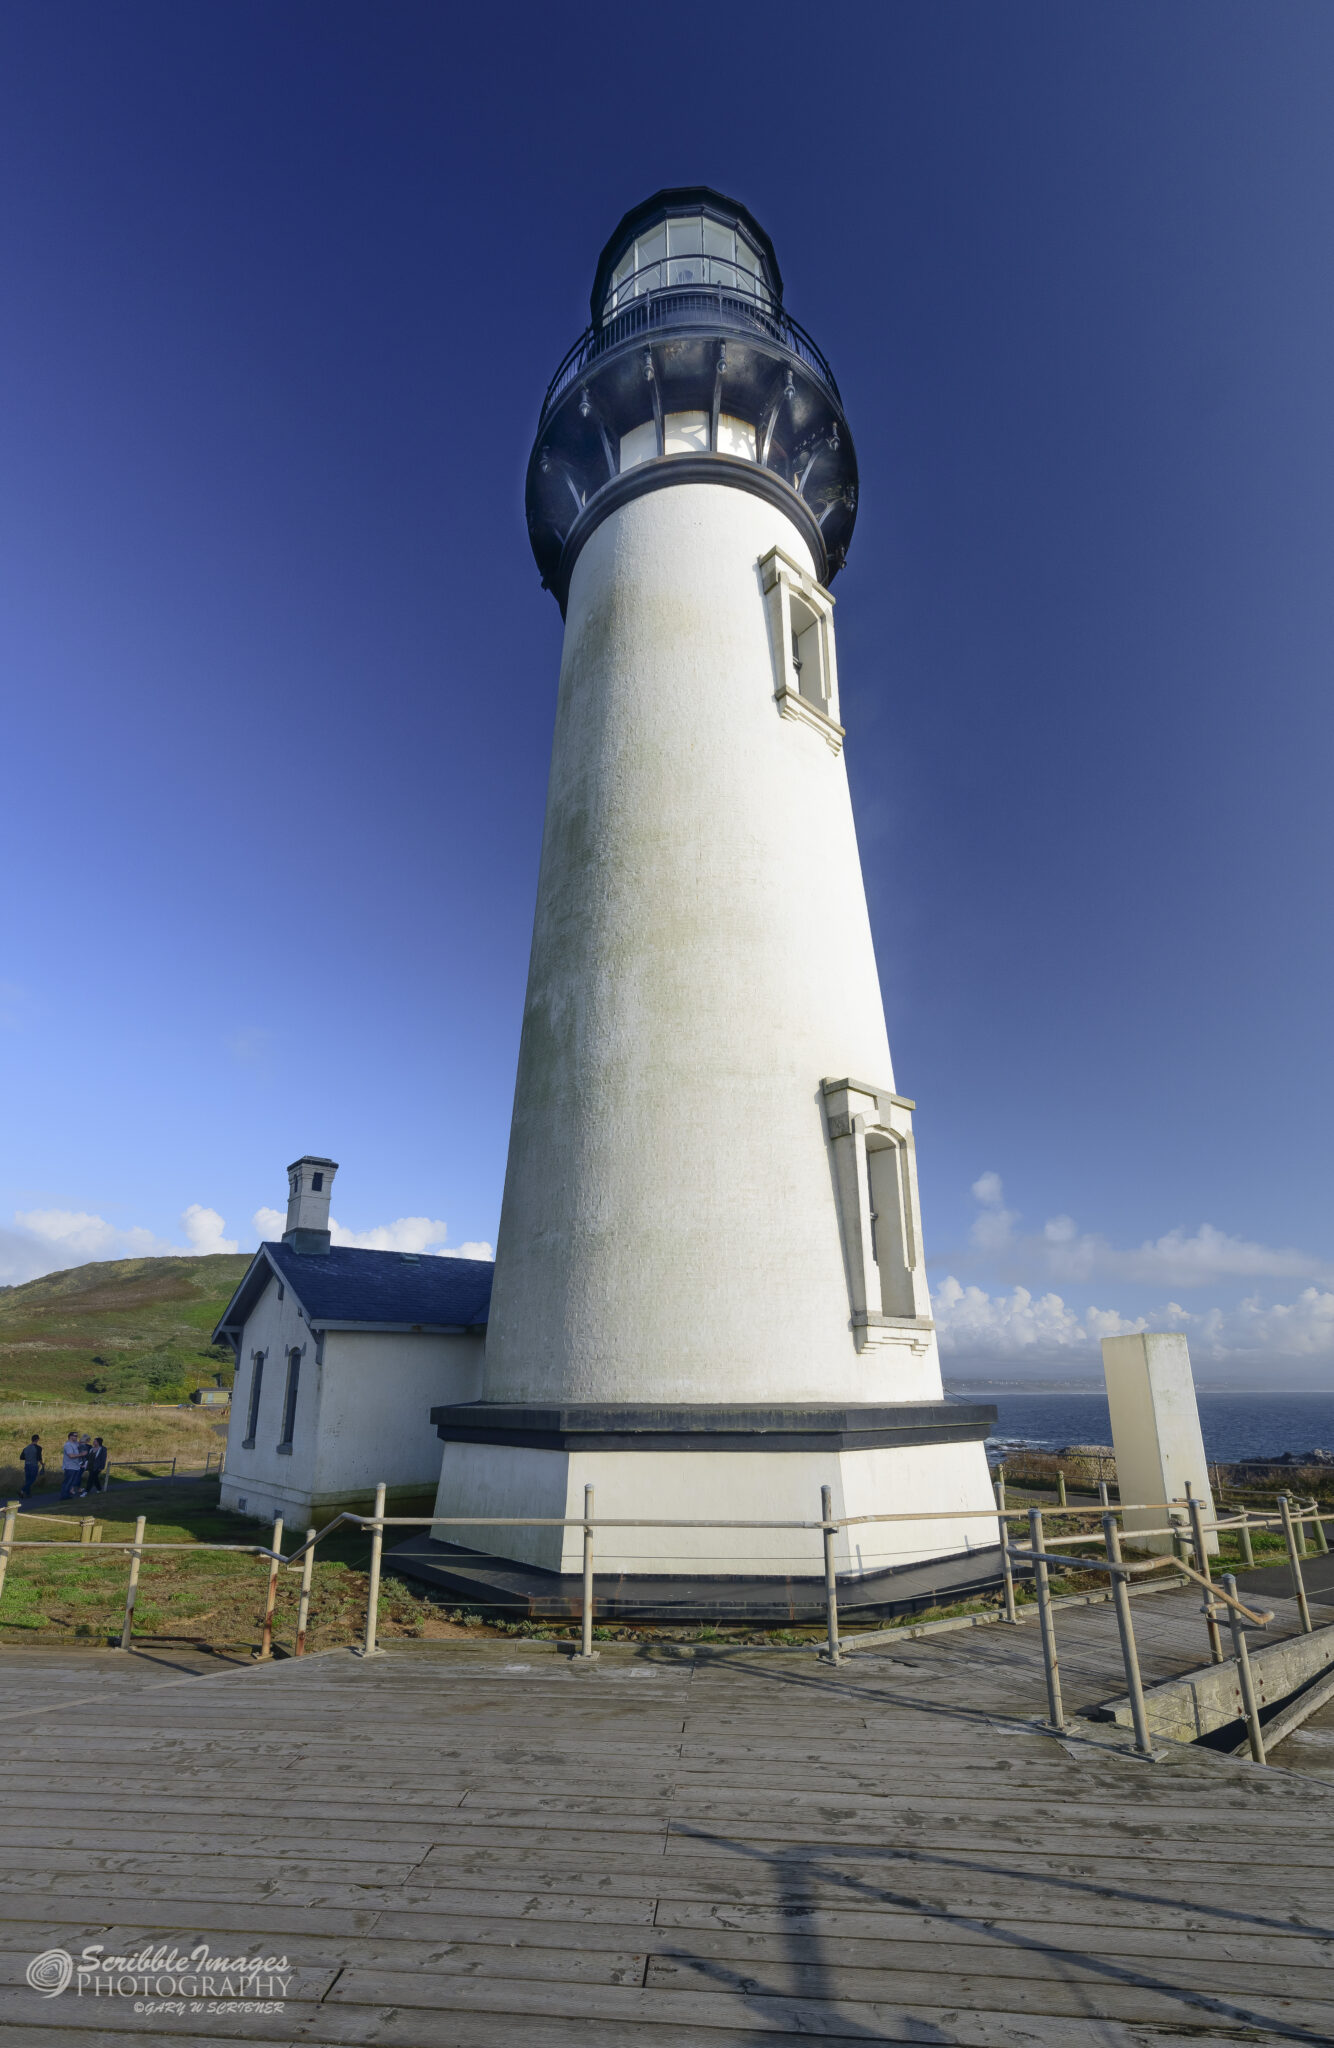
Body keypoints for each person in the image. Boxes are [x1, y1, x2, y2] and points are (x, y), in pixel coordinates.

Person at [58, 1430, 84, 1500]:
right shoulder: (68, 1445)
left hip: (75, 1466)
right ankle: (63, 1496)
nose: (76, 1437)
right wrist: (81, 1454)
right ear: (70, 1437)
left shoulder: (75, 1443)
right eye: (75, 1436)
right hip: (70, 1466)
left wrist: (84, 1440)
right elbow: (71, 1456)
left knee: (71, 1482)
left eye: (77, 1436)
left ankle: (67, 1495)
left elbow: (81, 1443)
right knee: (67, 1482)